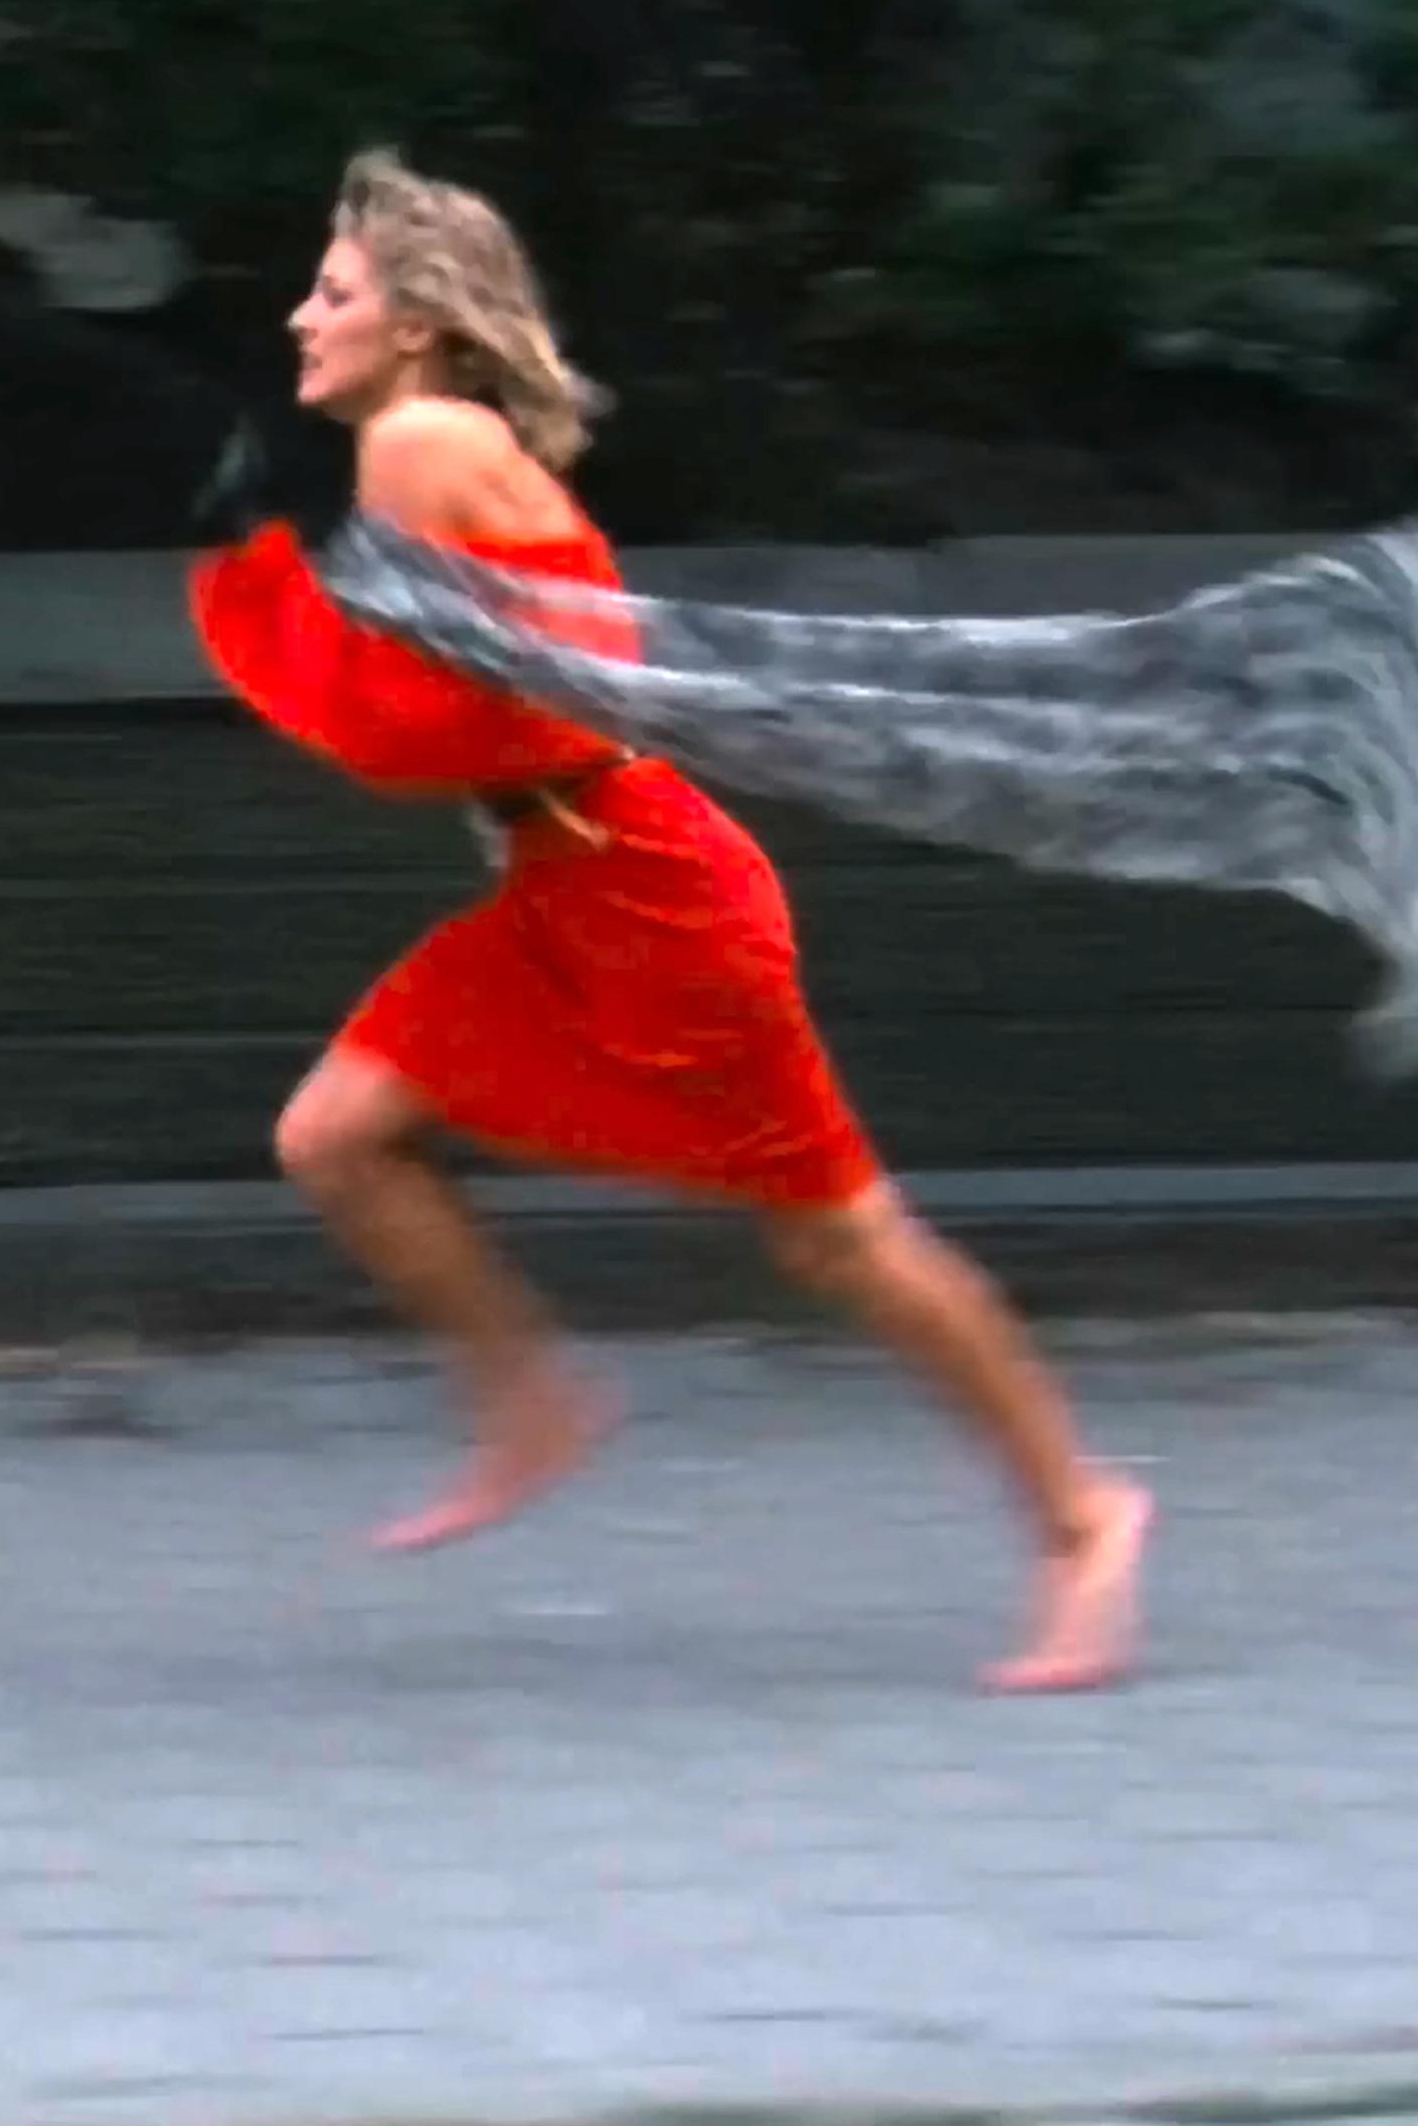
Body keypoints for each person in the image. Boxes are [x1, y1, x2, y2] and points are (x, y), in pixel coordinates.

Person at [189, 149, 1150, 1695]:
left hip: (649, 894)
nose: (304, 318)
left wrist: (262, 598)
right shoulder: (441, 446)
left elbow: (412, 729)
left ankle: (1083, 1517)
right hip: (568, 882)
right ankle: (528, 1400)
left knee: (841, 1239)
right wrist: (283, 597)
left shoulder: (423, 443)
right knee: (337, 1136)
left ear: (421, 326)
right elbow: (463, 703)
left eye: (338, 293)